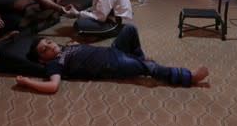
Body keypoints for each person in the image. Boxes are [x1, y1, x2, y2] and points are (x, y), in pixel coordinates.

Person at [15, 24, 209, 93]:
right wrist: (28, 82)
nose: (50, 46)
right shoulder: (53, 65)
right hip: (112, 64)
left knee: (129, 29)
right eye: (44, 50)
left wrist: (76, 45)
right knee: (149, 67)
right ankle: (187, 77)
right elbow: (52, 86)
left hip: (112, 51)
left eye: (48, 41)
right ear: (42, 60)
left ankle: (137, 55)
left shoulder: (64, 48)